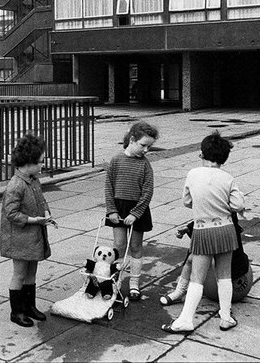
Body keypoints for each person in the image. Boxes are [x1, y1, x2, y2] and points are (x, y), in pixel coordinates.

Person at [162, 131, 245, 334]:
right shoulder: (228, 178)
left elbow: (187, 201)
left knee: (197, 278)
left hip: (202, 231)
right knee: (224, 276)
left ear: (201, 154)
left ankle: (185, 320)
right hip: (226, 230)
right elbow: (238, 204)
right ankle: (225, 317)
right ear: (225, 158)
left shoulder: (193, 174)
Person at [0, 132, 57, 327]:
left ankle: (29, 306)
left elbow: (41, 199)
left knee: (32, 271)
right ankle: (17, 311)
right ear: (28, 162)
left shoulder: (33, 180)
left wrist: (47, 212)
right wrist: (33, 219)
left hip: (32, 236)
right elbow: (11, 213)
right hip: (20, 238)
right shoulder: (15, 185)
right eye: (40, 162)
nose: (42, 165)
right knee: (19, 273)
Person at [105, 121, 159, 301]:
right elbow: (109, 187)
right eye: (143, 145)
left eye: (149, 147)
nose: (146, 150)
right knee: (119, 246)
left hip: (137, 210)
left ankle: (134, 283)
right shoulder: (116, 160)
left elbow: (147, 191)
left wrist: (135, 213)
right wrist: (111, 210)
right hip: (118, 209)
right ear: (132, 140)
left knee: (135, 247)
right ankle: (116, 280)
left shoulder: (144, 165)